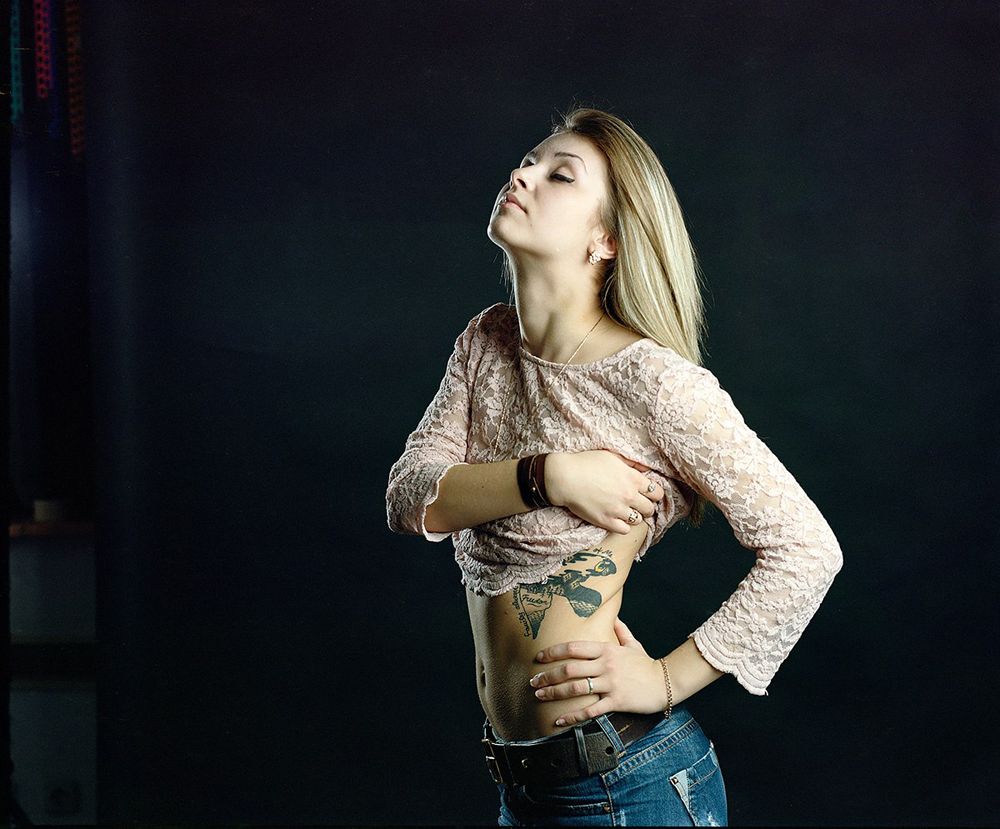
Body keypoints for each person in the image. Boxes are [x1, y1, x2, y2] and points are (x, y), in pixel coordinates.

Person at [385, 106, 844, 826]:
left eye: (560, 174)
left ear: (607, 240)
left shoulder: (656, 384)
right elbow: (411, 497)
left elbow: (808, 548)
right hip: (526, 791)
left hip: (624, 787)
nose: (523, 175)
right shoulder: (485, 343)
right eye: (528, 162)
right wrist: (550, 475)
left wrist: (667, 679)